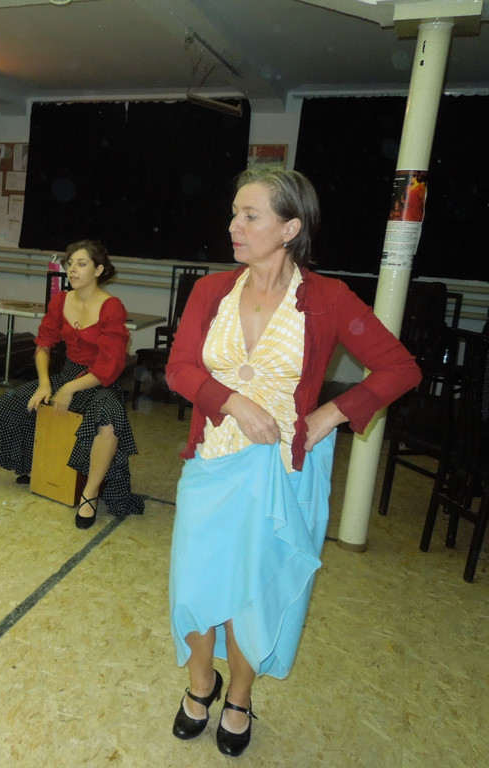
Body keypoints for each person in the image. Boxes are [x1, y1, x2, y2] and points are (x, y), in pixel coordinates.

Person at [165, 168, 421, 756]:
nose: (234, 225)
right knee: (197, 583)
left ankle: (239, 698)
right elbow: (179, 369)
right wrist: (232, 402)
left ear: (289, 228)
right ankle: (200, 684)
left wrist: (332, 413)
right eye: (235, 213)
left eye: (250, 215)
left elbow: (400, 367)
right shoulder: (211, 291)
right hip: (213, 461)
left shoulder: (328, 299)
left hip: (282, 471)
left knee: (254, 592)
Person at [0, 239, 144, 526]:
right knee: (4, 408)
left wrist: (69, 389)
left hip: (98, 382)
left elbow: (109, 366)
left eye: (81, 264)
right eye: (70, 264)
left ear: (98, 270)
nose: (72, 269)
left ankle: (89, 494)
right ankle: (36, 467)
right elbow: (43, 345)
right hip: (66, 375)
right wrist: (44, 384)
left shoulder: (112, 308)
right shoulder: (61, 300)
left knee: (109, 420)